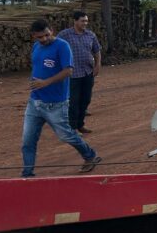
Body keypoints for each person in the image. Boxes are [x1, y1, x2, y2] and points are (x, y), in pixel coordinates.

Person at [22, 19, 102, 177]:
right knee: (27, 141)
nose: (44, 39)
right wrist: (37, 81)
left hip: (56, 104)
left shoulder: (62, 46)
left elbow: (68, 71)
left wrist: (45, 82)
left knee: (66, 135)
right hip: (34, 103)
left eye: (46, 35)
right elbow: (39, 66)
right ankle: (27, 174)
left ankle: (90, 156)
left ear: (51, 30)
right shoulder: (36, 47)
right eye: (39, 37)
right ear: (33, 36)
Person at [58, 10, 102, 134]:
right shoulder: (64, 35)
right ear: (75, 21)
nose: (85, 23)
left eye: (86, 21)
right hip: (72, 74)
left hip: (88, 72)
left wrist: (98, 65)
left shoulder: (90, 35)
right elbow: (55, 48)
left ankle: (80, 125)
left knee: (85, 100)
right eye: (82, 21)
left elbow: (97, 51)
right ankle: (72, 128)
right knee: (73, 102)